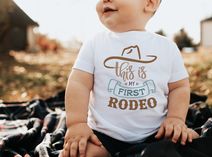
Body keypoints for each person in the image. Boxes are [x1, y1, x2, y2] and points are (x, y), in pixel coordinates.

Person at [60, 0, 199, 156]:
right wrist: (77, 123)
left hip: (156, 134)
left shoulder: (167, 47)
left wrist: (175, 118)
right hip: (103, 135)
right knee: (77, 153)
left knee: (189, 144)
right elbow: (79, 83)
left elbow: (179, 87)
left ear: (150, 3)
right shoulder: (94, 43)